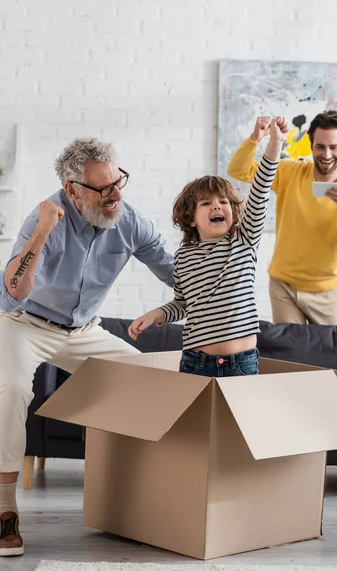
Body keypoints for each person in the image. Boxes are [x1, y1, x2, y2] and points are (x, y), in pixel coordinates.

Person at [0, 137, 174, 557]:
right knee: (11, 390)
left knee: (155, 377)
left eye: (119, 182)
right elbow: (12, 293)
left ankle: (140, 495)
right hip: (24, 324)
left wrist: (215, 292)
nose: (115, 195)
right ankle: (4, 512)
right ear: (73, 190)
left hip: (82, 331)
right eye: (103, 189)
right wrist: (41, 233)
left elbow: (175, 271)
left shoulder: (129, 220)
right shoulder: (45, 219)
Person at [128, 117, 288, 377]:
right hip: (195, 363)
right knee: (193, 420)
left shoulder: (243, 240)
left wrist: (275, 144)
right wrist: (155, 315)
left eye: (223, 202)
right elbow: (182, 303)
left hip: (242, 363)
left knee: (239, 419)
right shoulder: (183, 257)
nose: (216, 206)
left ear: (233, 211)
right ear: (191, 219)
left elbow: (260, 190)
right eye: (206, 204)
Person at [227, 110, 337, 325]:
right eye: (320, 146)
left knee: (326, 358)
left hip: (326, 293)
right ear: (311, 146)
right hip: (283, 287)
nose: (326, 155)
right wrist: (255, 138)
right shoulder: (289, 171)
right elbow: (238, 171)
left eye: (333, 147)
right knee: (291, 357)